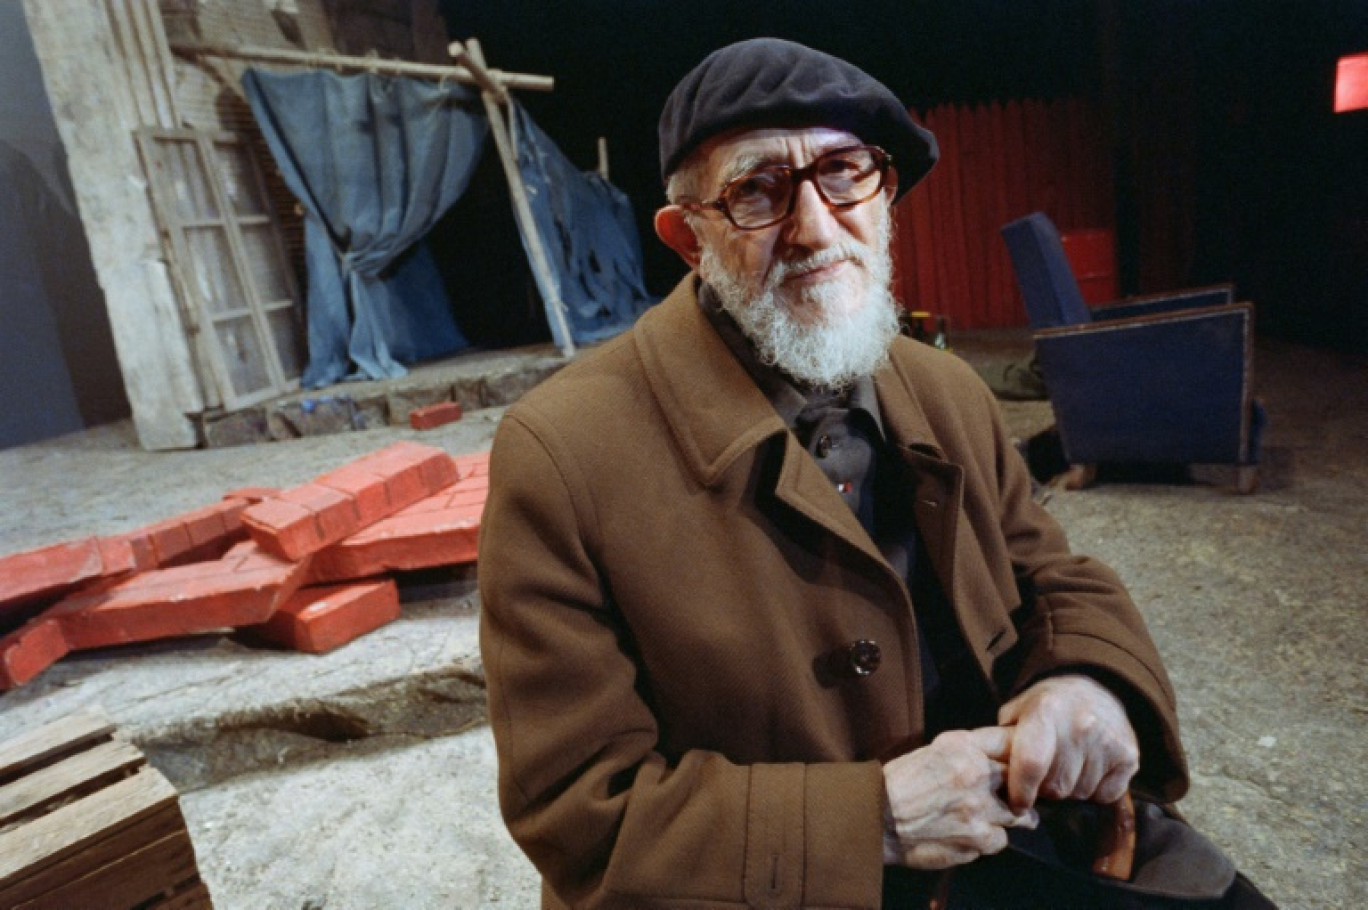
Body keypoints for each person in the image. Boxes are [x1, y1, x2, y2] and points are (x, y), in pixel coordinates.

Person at [479, 37, 1272, 909]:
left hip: (1011, 830)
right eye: (756, 192)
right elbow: (578, 811)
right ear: (687, 237)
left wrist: (1082, 677)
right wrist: (875, 821)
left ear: (884, 191)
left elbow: (1048, 572)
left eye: (844, 171)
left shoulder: (942, 386)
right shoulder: (561, 453)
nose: (816, 228)